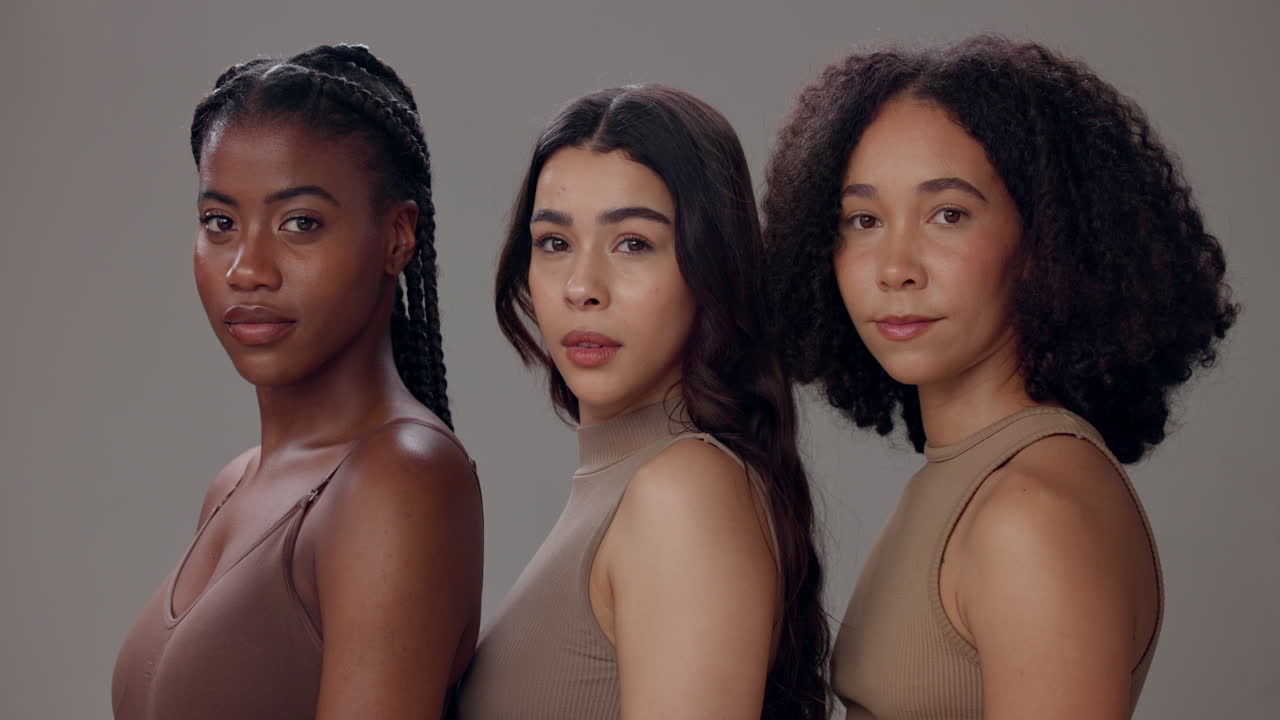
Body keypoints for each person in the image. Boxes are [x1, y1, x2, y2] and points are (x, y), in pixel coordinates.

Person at [763, 35, 1238, 719]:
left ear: (1043, 243)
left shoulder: (1029, 512)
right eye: (863, 219)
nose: (894, 266)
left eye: (947, 214)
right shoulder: (968, 478)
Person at [112, 44, 483, 720]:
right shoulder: (234, 485)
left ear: (398, 237)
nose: (248, 269)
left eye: (300, 224)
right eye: (220, 223)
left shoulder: (400, 478)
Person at [456, 84, 828, 720]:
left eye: (633, 243)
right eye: (553, 243)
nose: (582, 287)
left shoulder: (682, 491)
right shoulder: (630, 483)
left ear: (710, 265)